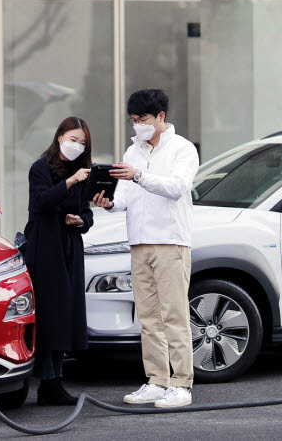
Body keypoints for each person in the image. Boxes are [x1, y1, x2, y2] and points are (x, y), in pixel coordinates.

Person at [93, 89, 199, 408]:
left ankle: (181, 383)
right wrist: (107, 202)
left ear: (161, 117)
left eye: (142, 119)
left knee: (174, 314)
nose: (137, 125)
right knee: (149, 317)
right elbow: (124, 199)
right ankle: (156, 379)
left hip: (171, 242)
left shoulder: (182, 149)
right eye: (133, 120)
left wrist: (138, 175)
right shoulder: (132, 151)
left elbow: (178, 187)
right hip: (139, 244)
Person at [21, 116, 94, 405]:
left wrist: (80, 221)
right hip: (46, 246)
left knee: (66, 313)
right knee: (49, 313)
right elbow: (39, 203)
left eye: (83, 142)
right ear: (60, 136)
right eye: (73, 139)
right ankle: (46, 380)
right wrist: (69, 182)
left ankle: (57, 378)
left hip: (69, 247)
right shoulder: (40, 168)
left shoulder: (81, 172)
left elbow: (86, 213)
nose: (77, 145)